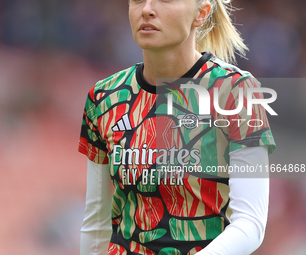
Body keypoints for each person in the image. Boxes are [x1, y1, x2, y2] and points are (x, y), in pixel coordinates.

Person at [79, 0, 276, 254]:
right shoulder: (104, 97)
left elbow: (250, 224)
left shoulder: (237, 91)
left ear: (201, 13)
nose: (147, 9)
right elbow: (96, 223)